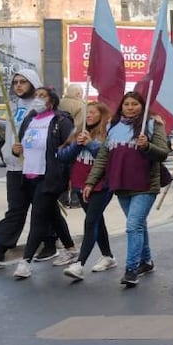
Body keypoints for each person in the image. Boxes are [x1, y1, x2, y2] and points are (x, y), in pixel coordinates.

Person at [83, 91, 170, 288]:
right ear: (121, 107)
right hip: (120, 185)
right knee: (138, 224)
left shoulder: (153, 124)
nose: (130, 107)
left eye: (135, 104)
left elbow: (163, 153)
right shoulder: (113, 127)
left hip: (146, 185)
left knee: (133, 225)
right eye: (127, 104)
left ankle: (131, 269)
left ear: (142, 106)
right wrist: (91, 182)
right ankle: (146, 261)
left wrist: (147, 146)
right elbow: (104, 157)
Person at [0, 70, 59, 266]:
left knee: (43, 209)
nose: (19, 86)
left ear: (33, 83)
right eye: (15, 82)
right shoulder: (14, 105)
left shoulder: (40, 106)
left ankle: (50, 243)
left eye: (23, 82)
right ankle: (0, 249)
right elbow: (13, 128)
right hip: (14, 167)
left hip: (35, 167)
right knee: (16, 209)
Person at [11, 86, 78, 279]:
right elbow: (23, 146)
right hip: (29, 174)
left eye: (42, 96)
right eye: (36, 96)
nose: (37, 99)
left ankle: (25, 262)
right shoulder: (29, 119)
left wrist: (67, 176)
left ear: (51, 101)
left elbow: (69, 149)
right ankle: (71, 248)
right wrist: (17, 150)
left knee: (38, 217)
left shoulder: (61, 121)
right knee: (52, 213)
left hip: (50, 177)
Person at [59, 102, 117, 281]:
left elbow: (108, 157)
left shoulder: (108, 133)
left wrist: (91, 144)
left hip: (101, 185)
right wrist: (77, 144)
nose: (89, 115)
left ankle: (80, 263)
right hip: (79, 184)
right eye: (87, 112)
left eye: (93, 112)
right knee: (97, 220)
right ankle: (108, 256)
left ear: (102, 115)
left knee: (91, 221)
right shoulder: (78, 131)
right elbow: (62, 156)